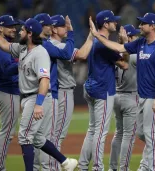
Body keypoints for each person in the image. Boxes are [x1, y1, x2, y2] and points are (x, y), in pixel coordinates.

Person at [89, 12, 155, 171]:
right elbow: (119, 47)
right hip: (142, 97)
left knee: (151, 134)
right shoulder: (140, 42)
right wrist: (97, 36)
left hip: (154, 97)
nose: (140, 26)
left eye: (143, 23)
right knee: (142, 133)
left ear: (153, 26)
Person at [0, 18, 77, 171]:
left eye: (22, 30)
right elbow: (2, 44)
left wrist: (38, 104)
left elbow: (44, 80)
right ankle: (65, 162)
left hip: (37, 97)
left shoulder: (40, 52)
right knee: (36, 138)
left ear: (29, 34)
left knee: (24, 136)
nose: (19, 32)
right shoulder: (22, 48)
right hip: (28, 97)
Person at [78, 10, 128, 171]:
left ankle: (83, 165)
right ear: (105, 24)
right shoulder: (103, 43)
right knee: (100, 131)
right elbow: (124, 64)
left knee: (92, 130)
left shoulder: (94, 40)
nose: (116, 23)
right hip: (103, 89)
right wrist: (125, 43)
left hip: (91, 86)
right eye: (113, 21)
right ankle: (98, 167)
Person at [49, 14, 94, 171]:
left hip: (54, 92)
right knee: (57, 135)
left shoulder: (48, 45)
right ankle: (53, 167)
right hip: (62, 92)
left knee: (50, 134)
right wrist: (92, 36)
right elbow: (82, 55)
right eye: (63, 26)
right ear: (54, 29)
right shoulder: (60, 47)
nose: (66, 28)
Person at [33, 13, 77, 171]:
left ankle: (40, 167)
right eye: (48, 25)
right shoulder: (45, 44)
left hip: (33, 95)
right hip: (47, 94)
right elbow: (67, 54)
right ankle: (49, 168)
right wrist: (72, 33)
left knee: (36, 137)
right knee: (47, 137)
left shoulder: (31, 45)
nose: (51, 28)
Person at [0, 15, 20, 171]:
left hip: (2, 90)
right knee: (7, 133)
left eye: (14, 26)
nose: (14, 28)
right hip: (7, 90)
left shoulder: (2, 45)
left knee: (6, 132)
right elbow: (7, 71)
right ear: (0, 28)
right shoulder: (0, 48)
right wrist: (24, 62)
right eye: (10, 26)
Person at [108, 24, 139, 171]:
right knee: (128, 136)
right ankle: (123, 168)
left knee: (119, 134)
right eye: (135, 36)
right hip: (130, 98)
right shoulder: (133, 56)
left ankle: (112, 167)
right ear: (131, 38)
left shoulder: (114, 54)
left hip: (116, 96)